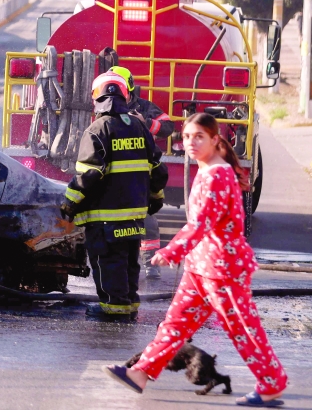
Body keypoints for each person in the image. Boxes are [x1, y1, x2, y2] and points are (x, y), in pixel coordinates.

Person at [104, 113, 289, 406]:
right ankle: (140, 373)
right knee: (174, 326)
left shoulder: (217, 175)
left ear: (215, 140)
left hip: (222, 269)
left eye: (199, 137)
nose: (190, 142)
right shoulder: (208, 170)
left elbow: (201, 223)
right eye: (187, 136)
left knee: (242, 328)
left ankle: (271, 383)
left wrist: (171, 250)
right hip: (200, 268)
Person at [61, 70, 167, 321]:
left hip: (104, 217)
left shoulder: (97, 129)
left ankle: (113, 311)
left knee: (108, 264)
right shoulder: (140, 126)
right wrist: (155, 199)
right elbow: (157, 170)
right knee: (130, 264)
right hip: (133, 217)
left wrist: (69, 204)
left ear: (97, 98)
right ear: (124, 96)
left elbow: (89, 175)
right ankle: (128, 306)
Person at [110, 62, 173, 281]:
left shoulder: (143, 107)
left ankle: (151, 266)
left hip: (140, 171)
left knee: (147, 221)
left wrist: (144, 122)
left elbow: (167, 126)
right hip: (113, 173)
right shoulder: (104, 108)